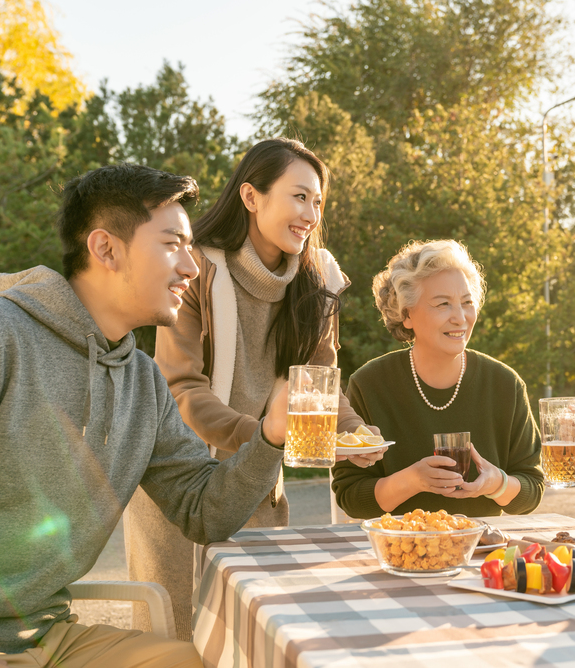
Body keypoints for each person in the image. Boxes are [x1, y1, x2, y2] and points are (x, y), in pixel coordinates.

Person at [0, 164, 289, 667]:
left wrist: (272, 437)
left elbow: (206, 510)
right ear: (105, 249)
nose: (191, 267)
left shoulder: (143, 381)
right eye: (172, 244)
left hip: (51, 638)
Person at [123, 138, 384, 641]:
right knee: (174, 641)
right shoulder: (193, 267)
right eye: (299, 196)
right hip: (180, 479)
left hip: (257, 481)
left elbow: (318, 381)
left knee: (252, 634)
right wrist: (264, 436)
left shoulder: (318, 279)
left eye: (318, 201)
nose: (311, 213)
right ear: (250, 196)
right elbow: (181, 386)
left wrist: (356, 432)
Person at [333, 239, 544, 518]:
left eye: (467, 302)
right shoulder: (369, 383)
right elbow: (351, 498)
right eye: (443, 304)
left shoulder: (505, 384)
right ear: (406, 314)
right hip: (399, 550)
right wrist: (412, 481)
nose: (460, 318)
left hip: (480, 553)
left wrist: (496, 484)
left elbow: (532, 489)